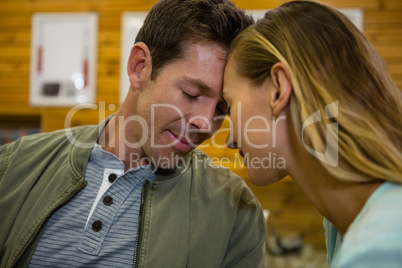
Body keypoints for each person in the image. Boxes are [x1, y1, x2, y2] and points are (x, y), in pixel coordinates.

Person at [0, 0, 267, 267]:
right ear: (140, 67)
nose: (206, 123)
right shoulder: (12, 167)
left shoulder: (236, 214)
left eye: (222, 108)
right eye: (191, 94)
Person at [223, 1, 402, 267]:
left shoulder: (378, 248)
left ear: (278, 88)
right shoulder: (341, 224)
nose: (229, 140)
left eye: (230, 106)